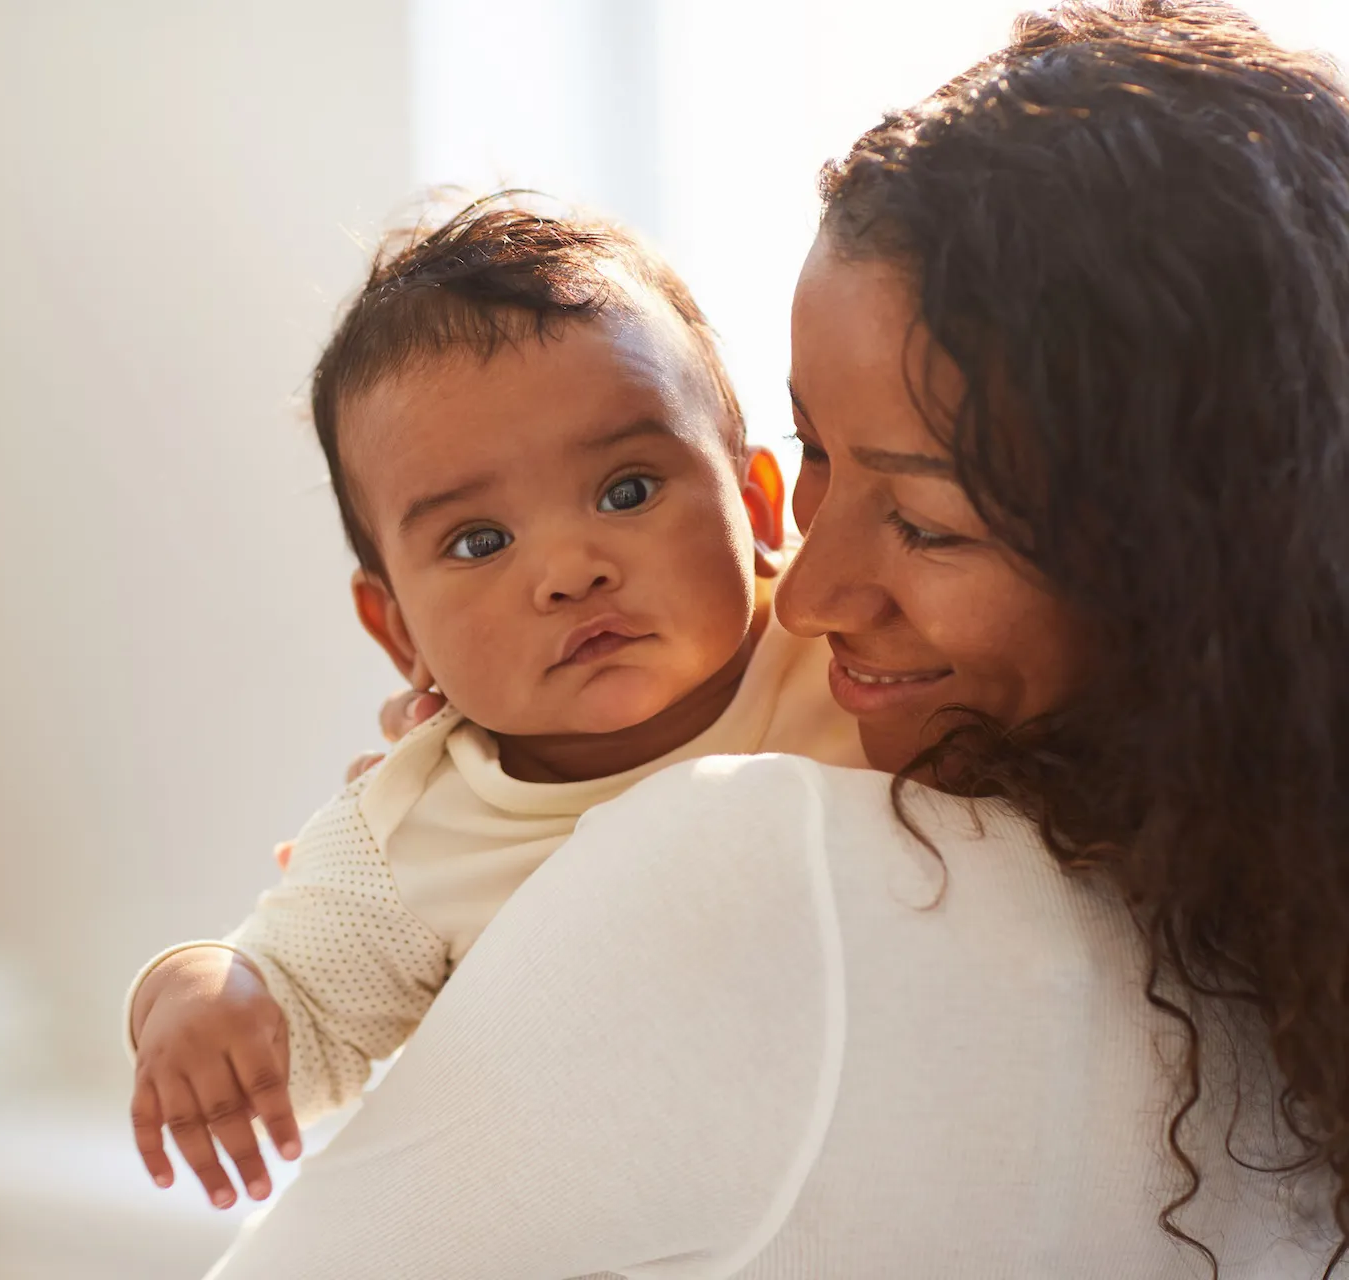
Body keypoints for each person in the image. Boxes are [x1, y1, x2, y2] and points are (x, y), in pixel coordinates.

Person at [202, 3, 1349, 1275]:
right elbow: (299, 997)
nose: (801, 592)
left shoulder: (750, 850)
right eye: (816, 453)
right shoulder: (1274, 930)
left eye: (923, 520)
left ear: (1189, 563)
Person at [126, 201, 866, 1210]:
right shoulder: (415, 823)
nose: (569, 570)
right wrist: (201, 992)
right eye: (479, 542)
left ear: (758, 503)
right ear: (399, 633)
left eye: (628, 488)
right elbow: (302, 1012)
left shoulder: (850, 653)